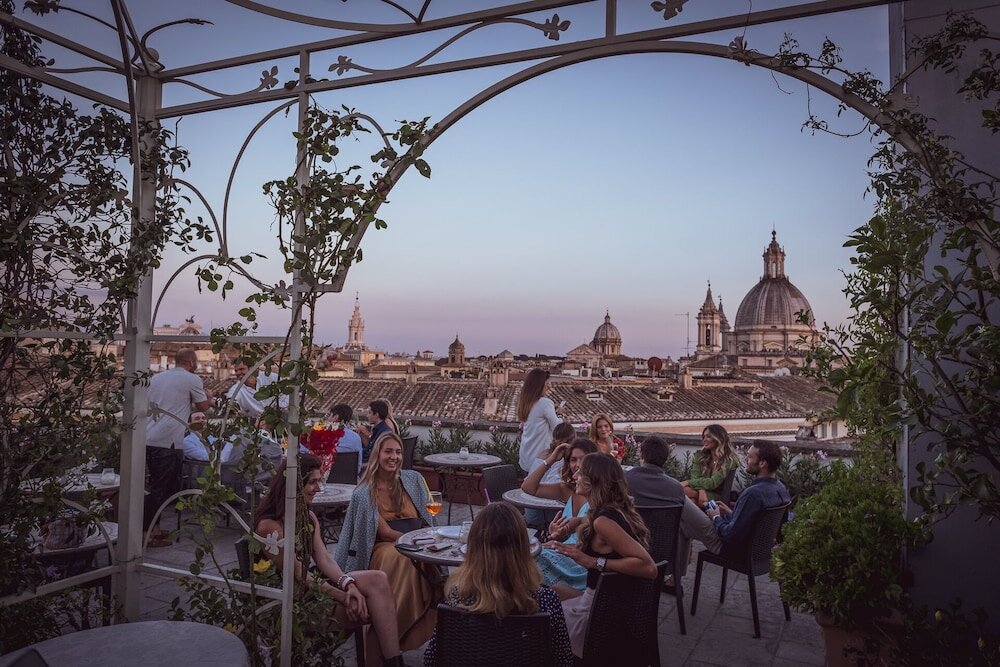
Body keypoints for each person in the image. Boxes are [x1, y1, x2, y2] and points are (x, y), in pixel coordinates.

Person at [254, 454, 405, 667]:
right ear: (295, 484)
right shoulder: (270, 527)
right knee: (376, 608)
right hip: (289, 602)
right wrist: (343, 596)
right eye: (313, 482)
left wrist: (348, 584)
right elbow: (298, 573)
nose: (318, 488)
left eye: (320, 481)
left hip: (312, 587)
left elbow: (324, 559)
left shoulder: (309, 517)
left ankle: (393, 662)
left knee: (378, 579)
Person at [422, 502, 573, 667]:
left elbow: (432, 660)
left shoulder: (457, 598)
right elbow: (563, 661)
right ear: (523, 548)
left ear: (473, 549)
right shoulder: (546, 601)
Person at [336, 432, 439, 652]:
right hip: (384, 546)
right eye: (388, 451)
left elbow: (427, 516)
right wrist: (416, 541)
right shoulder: (365, 492)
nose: (394, 457)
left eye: (398, 452)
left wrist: (431, 538)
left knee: (437, 564)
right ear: (377, 455)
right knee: (404, 559)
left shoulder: (413, 480)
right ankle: (392, 633)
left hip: (415, 540)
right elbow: (385, 532)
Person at [548, 453, 657, 658]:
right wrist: (568, 528)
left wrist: (593, 561)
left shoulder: (603, 521)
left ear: (593, 481)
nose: (575, 476)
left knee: (541, 614)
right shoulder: (612, 511)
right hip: (611, 601)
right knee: (554, 591)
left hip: (603, 614)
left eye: (580, 473)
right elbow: (586, 522)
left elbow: (649, 568)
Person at [144, 348, 213, 547]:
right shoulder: (192, 379)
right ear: (191, 362)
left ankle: (153, 529)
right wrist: (209, 396)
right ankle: (147, 534)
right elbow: (204, 407)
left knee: (156, 486)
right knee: (160, 489)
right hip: (169, 441)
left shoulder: (157, 378)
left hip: (149, 438)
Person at [679, 440, 791, 562]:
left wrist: (716, 517)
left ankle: (665, 572)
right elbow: (759, 525)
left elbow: (730, 535)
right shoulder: (781, 489)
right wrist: (731, 513)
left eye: (749, 457)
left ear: (762, 463)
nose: (745, 461)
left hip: (729, 548)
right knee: (682, 526)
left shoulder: (754, 494)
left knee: (680, 497)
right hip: (756, 552)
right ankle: (673, 580)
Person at [522, 439, 598, 590]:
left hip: (581, 562)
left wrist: (556, 543)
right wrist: (551, 459)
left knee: (525, 560)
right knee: (518, 556)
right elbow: (528, 487)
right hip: (563, 553)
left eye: (583, 459)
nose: (577, 464)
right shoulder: (567, 489)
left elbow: (595, 537)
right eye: (573, 460)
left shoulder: (599, 493)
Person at [516, 368, 566, 473]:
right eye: (545, 384)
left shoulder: (525, 403)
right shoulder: (545, 403)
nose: (547, 386)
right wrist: (560, 414)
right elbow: (557, 428)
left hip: (526, 456)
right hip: (540, 457)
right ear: (540, 385)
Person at [682, 424, 740, 506]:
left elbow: (713, 483)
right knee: (691, 500)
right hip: (700, 492)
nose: (704, 440)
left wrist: (687, 482)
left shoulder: (729, 460)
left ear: (718, 438)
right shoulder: (700, 455)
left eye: (708, 436)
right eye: (704, 437)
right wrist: (701, 491)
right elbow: (695, 477)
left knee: (685, 491)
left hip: (717, 496)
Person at [625, 436, 685, 508]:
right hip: (664, 519)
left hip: (632, 519)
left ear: (642, 455)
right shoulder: (676, 488)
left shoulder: (624, 480)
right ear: (665, 459)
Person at [357, 399, 397, 464]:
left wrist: (359, 466)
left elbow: (378, 460)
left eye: (369, 413)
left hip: (368, 465)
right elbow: (369, 448)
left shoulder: (384, 432)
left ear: (377, 415)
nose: (367, 416)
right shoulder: (378, 429)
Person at [330, 403, 364, 477]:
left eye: (330, 416)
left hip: (327, 480)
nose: (328, 419)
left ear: (336, 417)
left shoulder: (325, 435)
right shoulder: (356, 437)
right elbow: (358, 466)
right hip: (349, 481)